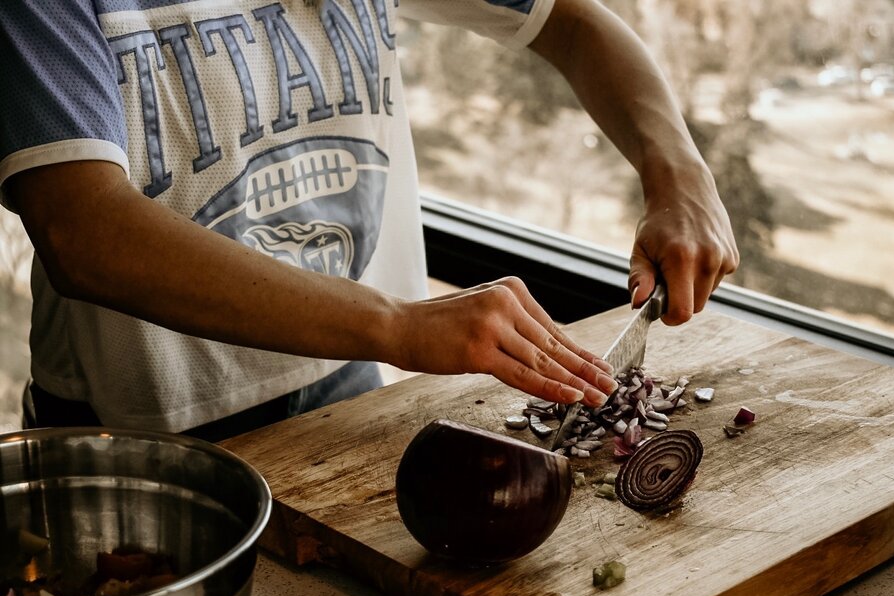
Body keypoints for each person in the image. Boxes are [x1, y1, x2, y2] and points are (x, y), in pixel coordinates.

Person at [0, 0, 738, 441]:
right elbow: (83, 230)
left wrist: (680, 173)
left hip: (346, 382)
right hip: (136, 426)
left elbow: (571, 23)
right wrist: (401, 324)